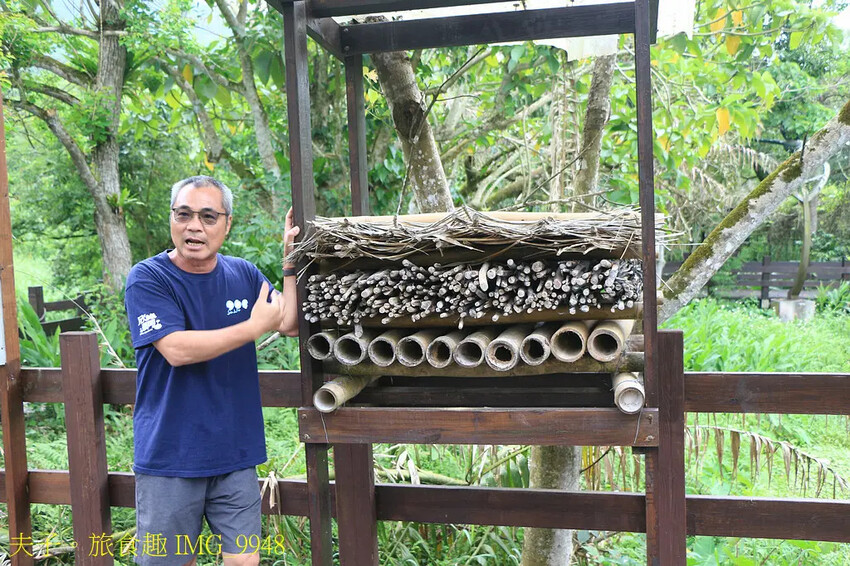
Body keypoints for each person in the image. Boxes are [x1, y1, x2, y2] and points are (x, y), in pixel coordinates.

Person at [124, 175, 300, 566]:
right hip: (171, 457)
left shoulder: (244, 274)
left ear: (227, 223)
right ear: (171, 218)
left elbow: (287, 322)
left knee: (243, 561)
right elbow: (175, 349)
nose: (194, 227)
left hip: (235, 454)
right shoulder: (149, 278)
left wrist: (290, 263)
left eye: (208, 216)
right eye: (184, 214)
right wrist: (253, 327)